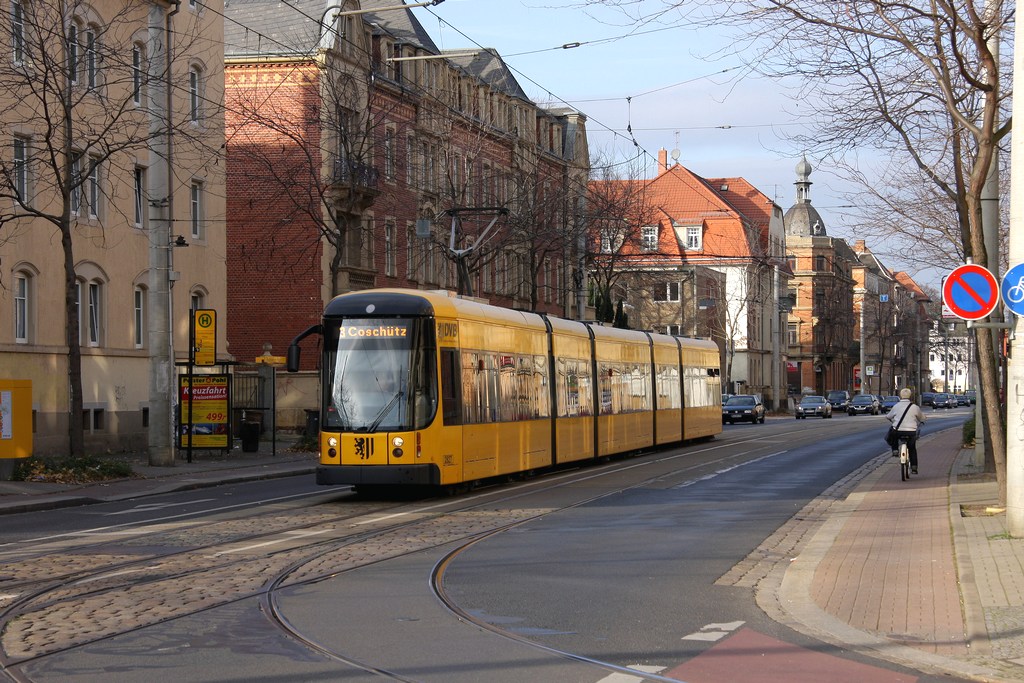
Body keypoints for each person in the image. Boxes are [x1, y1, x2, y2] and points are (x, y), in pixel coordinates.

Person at [888, 388, 926, 474]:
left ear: (901, 396)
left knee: (893, 433)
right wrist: (923, 419)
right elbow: (921, 418)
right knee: (912, 448)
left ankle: (895, 450)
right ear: (910, 396)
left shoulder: (896, 406)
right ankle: (914, 468)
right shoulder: (914, 407)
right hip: (911, 432)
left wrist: (893, 420)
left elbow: (888, 416)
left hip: (898, 431)